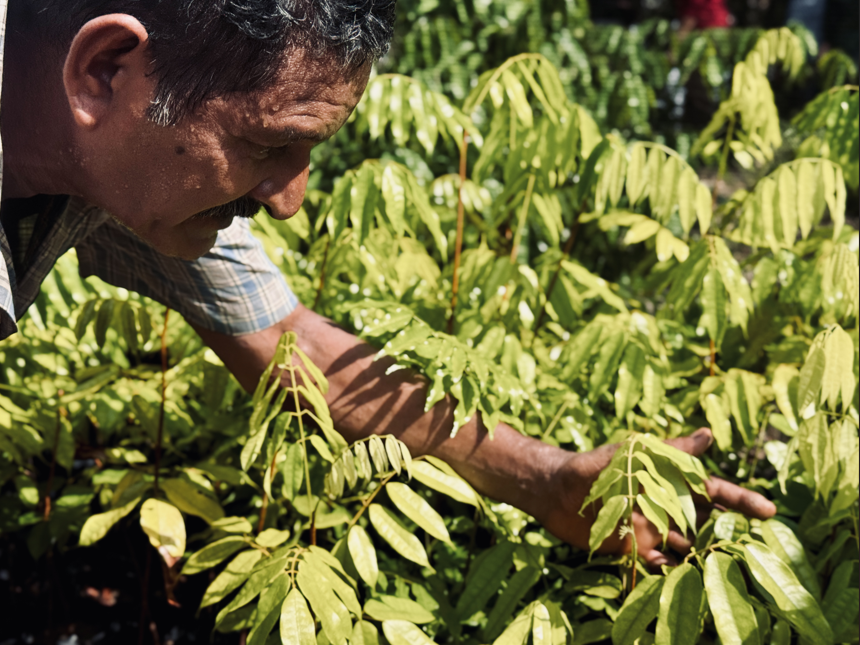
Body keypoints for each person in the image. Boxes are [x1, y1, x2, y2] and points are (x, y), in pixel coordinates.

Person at [0, 0, 775, 569]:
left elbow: (292, 348)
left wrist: (545, 479)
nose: (290, 201)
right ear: (102, 72)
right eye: (272, 143)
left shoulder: (127, 162)